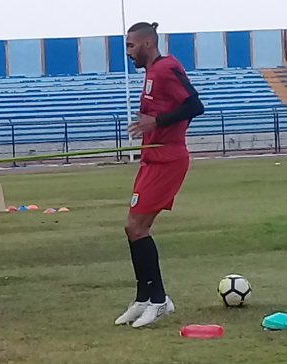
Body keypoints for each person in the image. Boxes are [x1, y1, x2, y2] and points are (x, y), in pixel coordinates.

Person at [114, 22, 204, 328]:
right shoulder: (151, 73)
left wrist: (158, 122)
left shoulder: (166, 69)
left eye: (130, 46)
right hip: (151, 158)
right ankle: (143, 299)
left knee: (136, 227)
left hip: (168, 157)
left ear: (147, 45)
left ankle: (159, 300)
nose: (127, 52)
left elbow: (195, 104)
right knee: (133, 228)